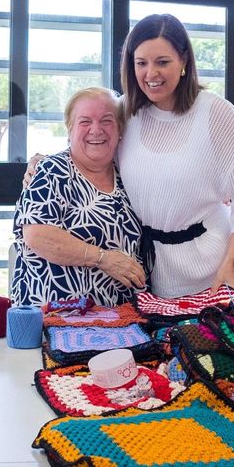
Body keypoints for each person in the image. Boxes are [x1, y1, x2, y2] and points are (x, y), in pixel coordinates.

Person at [114, 14, 234, 298]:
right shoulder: (124, 112)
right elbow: (85, 147)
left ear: (183, 61)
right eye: (141, 63)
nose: (151, 74)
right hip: (142, 270)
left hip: (209, 270)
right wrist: (39, 163)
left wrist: (229, 266)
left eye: (162, 62)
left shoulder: (216, 113)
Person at [13, 88, 146, 307]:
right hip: (57, 319)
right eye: (85, 121)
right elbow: (37, 235)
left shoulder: (126, 175)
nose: (96, 130)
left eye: (107, 120)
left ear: (120, 129)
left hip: (122, 322)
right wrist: (103, 259)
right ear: (70, 129)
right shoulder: (52, 171)